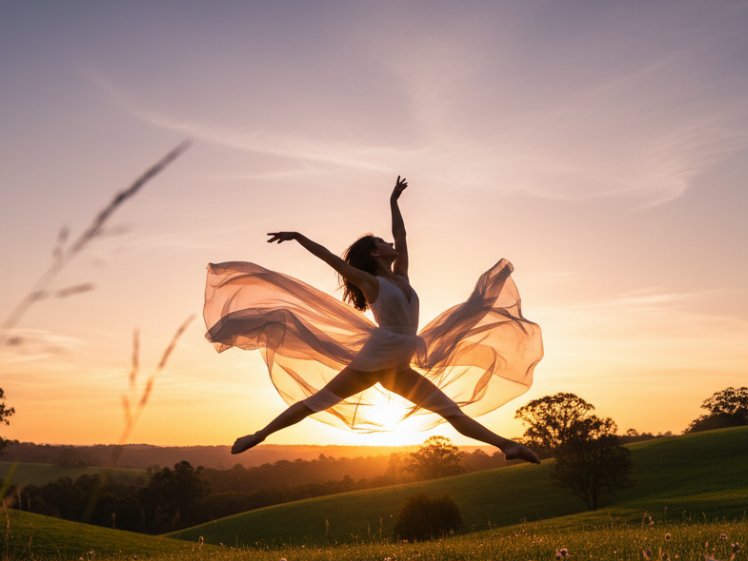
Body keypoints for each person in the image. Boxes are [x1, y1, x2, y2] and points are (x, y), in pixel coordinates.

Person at [203, 176, 542, 463]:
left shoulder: (402, 277)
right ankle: (259, 436)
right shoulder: (372, 283)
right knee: (317, 402)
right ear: (376, 254)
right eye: (382, 241)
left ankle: (506, 446)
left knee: (449, 411)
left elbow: (403, 236)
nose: (391, 241)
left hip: (399, 363)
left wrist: (393, 201)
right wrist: (298, 237)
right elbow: (333, 261)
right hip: (378, 356)